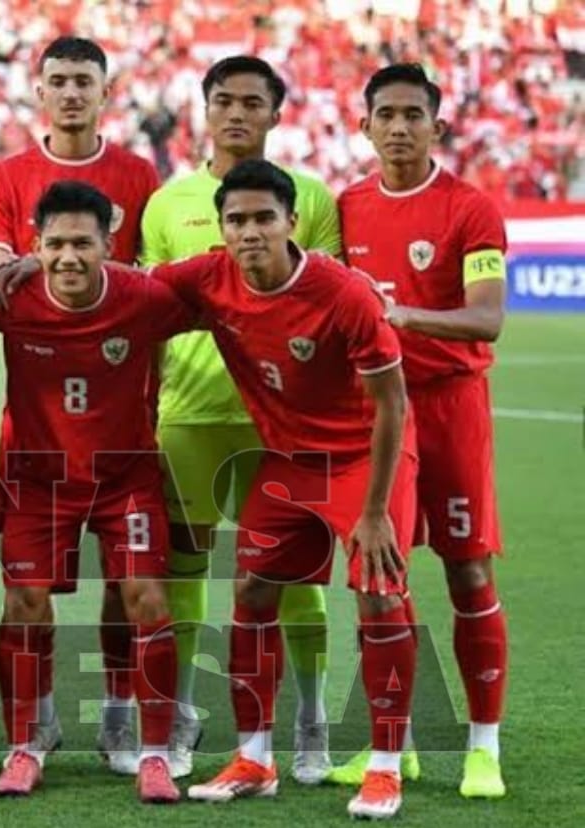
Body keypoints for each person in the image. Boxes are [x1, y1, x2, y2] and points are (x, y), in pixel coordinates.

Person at [137, 160, 415, 820]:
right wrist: (34, 270)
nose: (250, 232)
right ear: (222, 228)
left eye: (264, 218)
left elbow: (392, 407)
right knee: (253, 592)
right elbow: (125, 292)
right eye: (237, 220)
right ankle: (255, 757)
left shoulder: (342, 293)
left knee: (379, 598)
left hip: (362, 460)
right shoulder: (208, 275)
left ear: (292, 222)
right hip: (288, 462)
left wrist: (375, 512)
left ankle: (384, 768)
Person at [137, 55, 341, 782]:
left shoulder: (311, 198)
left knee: (293, 580)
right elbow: (148, 311)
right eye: (223, 100)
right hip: (189, 416)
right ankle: (185, 715)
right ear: (204, 108)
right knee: (183, 568)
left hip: (283, 428)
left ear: (276, 114)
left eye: (253, 102)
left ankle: (312, 720)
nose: (236, 114)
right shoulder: (168, 202)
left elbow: (326, 305)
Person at [0, 34, 161, 775]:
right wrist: (26, 267)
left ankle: (120, 719)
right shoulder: (11, 174)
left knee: (128, 584)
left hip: (121, 420)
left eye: (85, 80)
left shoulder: (138, 173)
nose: (72, 91)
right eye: (59, 80)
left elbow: (151, 285)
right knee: (27, 596)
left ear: (106, 92)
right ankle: (37, 725)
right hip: (35, 432)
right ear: (39, 92)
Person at [0, 181, 192, 802]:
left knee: (146, 598)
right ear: (34, 246)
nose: (69, 257)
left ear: (109, 247)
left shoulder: (144, 296)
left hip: (126, 478)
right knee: (25, 605)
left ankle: (152, 753)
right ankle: (27, 743)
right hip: (39, 479)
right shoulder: (9, 296)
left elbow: (215, 298)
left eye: (83, 244)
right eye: (55, 244)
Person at [333, 62, 509, 800]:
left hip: (451, 407)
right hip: (381, 412)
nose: (399, 126)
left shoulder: (471, 209)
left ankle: (482, 748)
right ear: (364, 125)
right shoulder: (346, 207)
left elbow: (488, 316)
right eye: (387, 114)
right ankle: (393, 744)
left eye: (414, 114)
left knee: (468, 571)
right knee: (383, 575)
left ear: (438, 125)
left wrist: (401, 315)